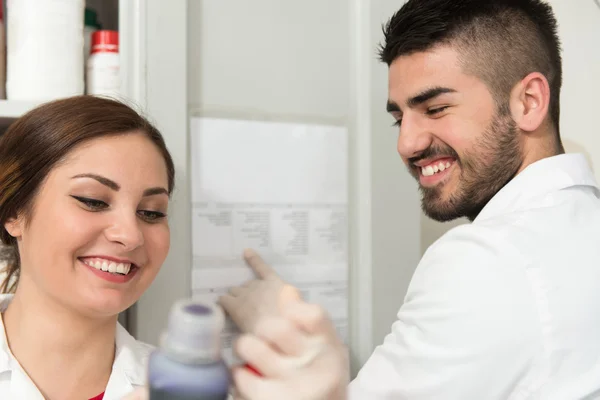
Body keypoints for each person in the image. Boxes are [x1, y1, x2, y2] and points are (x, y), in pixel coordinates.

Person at [219, 0, 600, 399]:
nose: (406, 143)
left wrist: (285, 340)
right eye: (400, 119)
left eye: (436, 109)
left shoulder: (485, 259)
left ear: (529, 101)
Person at [0, 95, 175, 400]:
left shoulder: (185, 391)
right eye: (93, 201)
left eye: (151, 212)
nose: (131, 235)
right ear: (15, 211)